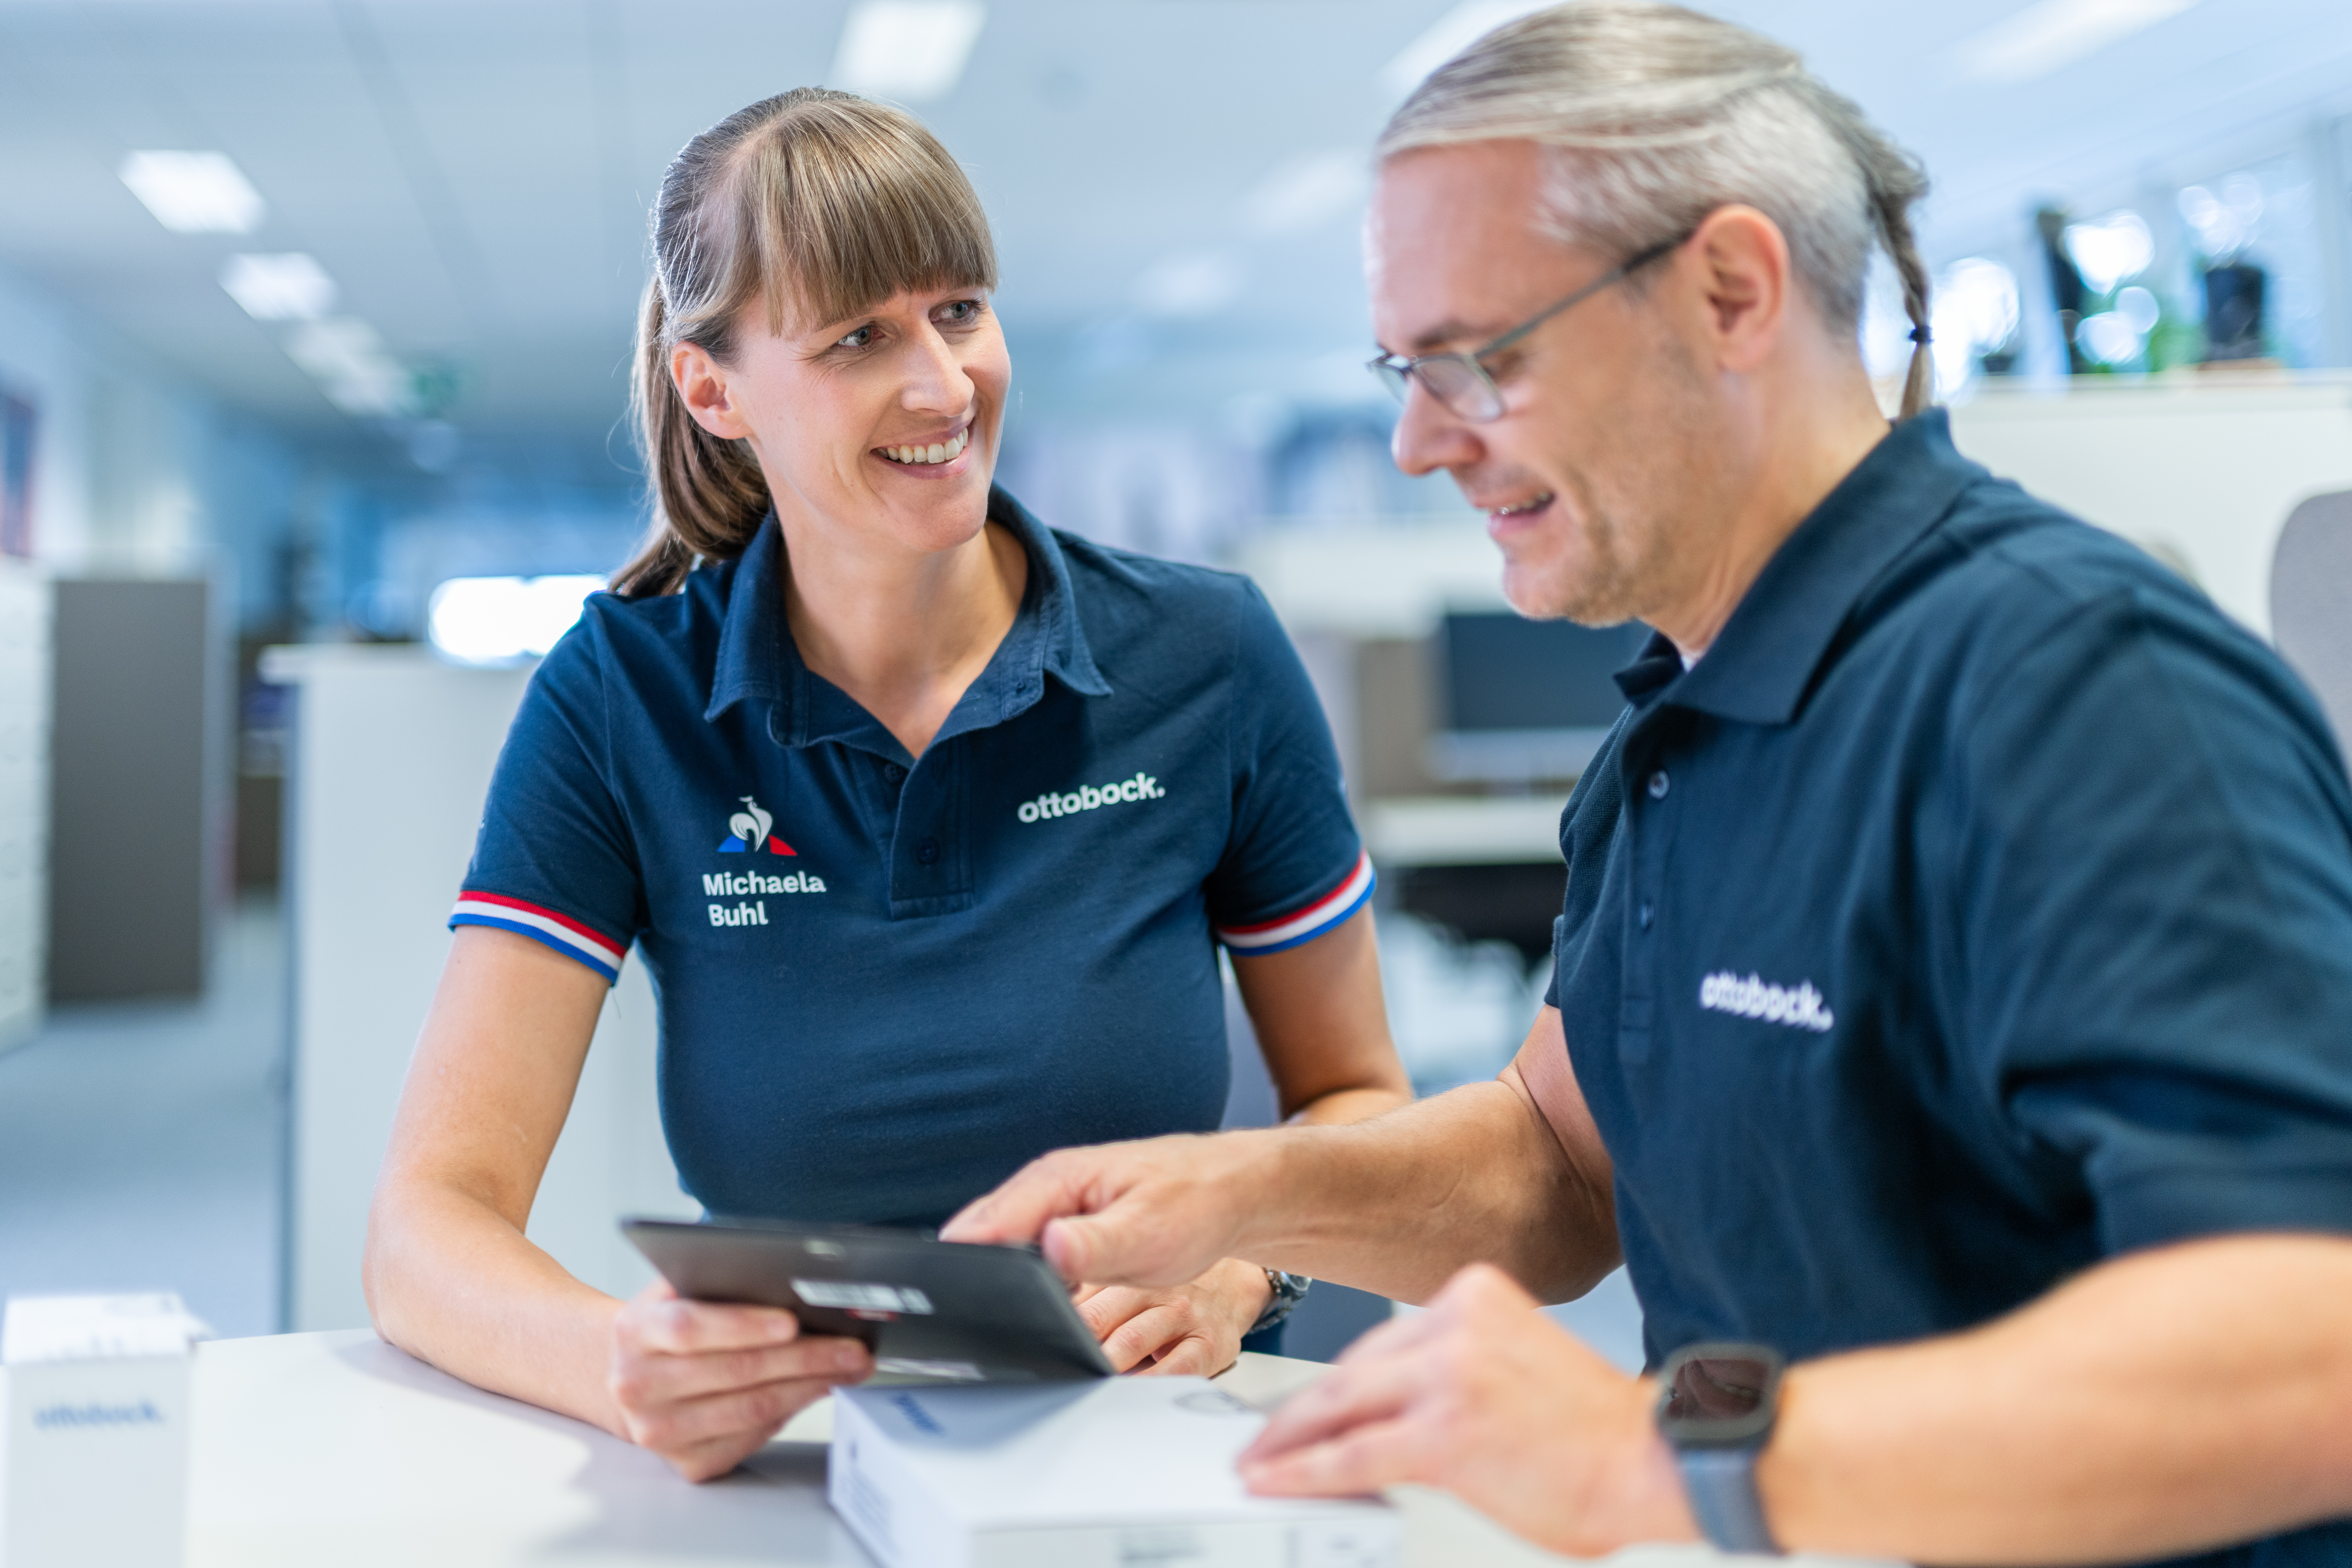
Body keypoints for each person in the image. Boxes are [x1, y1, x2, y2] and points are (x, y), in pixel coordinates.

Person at [945, 7, 2352, 1563]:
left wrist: (1662, 1458)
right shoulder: (1678, 729)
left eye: (1477, 360)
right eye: (1403, 368)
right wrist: (1237, 1192)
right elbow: (1562, 1164)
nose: (1417, 442)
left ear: (1731, 291)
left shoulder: (2070, 688)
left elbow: (2315, 1340)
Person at [362, 88, 1410, 1484]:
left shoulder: (1203, 656)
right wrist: (622, 1361)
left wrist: (1239, 1265)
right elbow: (426, 1224)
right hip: (805, 1464)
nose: (943, 386)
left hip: (1161, 1448)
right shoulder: (626, 696)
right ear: (714, 390)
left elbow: (1360, 1095)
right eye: (858, 337)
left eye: (960, 310)